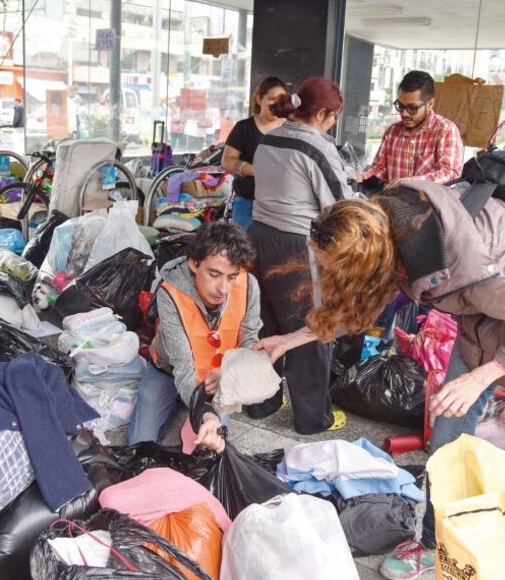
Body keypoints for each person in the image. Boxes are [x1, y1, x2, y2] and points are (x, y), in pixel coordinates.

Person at [257, 183, 505, 580]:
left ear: (367, 260)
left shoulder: (478, 262)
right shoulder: (391, 231)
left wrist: (481, 377)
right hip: (483, 327)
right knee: (444, 445)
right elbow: (359, 305)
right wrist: (291, 340)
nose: (331, 276)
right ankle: (432, 545)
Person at [247, 76, 354, 435]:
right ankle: (313, 419)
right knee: (312, 326)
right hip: (297, 246)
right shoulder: (315, 147)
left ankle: (261, 401)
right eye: (334, 116)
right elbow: (340, 204)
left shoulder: (270, 138)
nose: (334, 123)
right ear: (323, 112)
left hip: (259, 240)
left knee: (266, 323)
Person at [128, 221, 262, 453]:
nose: (223, 288)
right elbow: (182, 366)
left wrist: (232, 373)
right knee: (140, 447)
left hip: (219, 377)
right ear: (193, 263)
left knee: (212, 450)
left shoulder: (249, 285)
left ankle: (193, 408)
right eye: (214, 274)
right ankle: (185, 404)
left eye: (231, 277)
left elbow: (250, 340)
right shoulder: (171, 292)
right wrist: (207, 413)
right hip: (168, 371)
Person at [360, 70, 464, 187]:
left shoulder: (445, 130)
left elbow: (450, 174)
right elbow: (379, 169)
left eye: (412, 108)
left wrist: (409, 182)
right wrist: (363, 177)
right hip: (392, 202)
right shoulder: (392, 132)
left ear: (430, 104)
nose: (404, 113)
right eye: (400, 106)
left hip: (429, 204)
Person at [222, 75, 288, 230]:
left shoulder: (291, 129)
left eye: (281, 100)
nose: (276, 104)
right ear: (259, 99)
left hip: (282, 203)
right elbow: (227, 160)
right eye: (271, 99)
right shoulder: (244, 128)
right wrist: (255, 171)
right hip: (248, 201)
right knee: (245, 248)